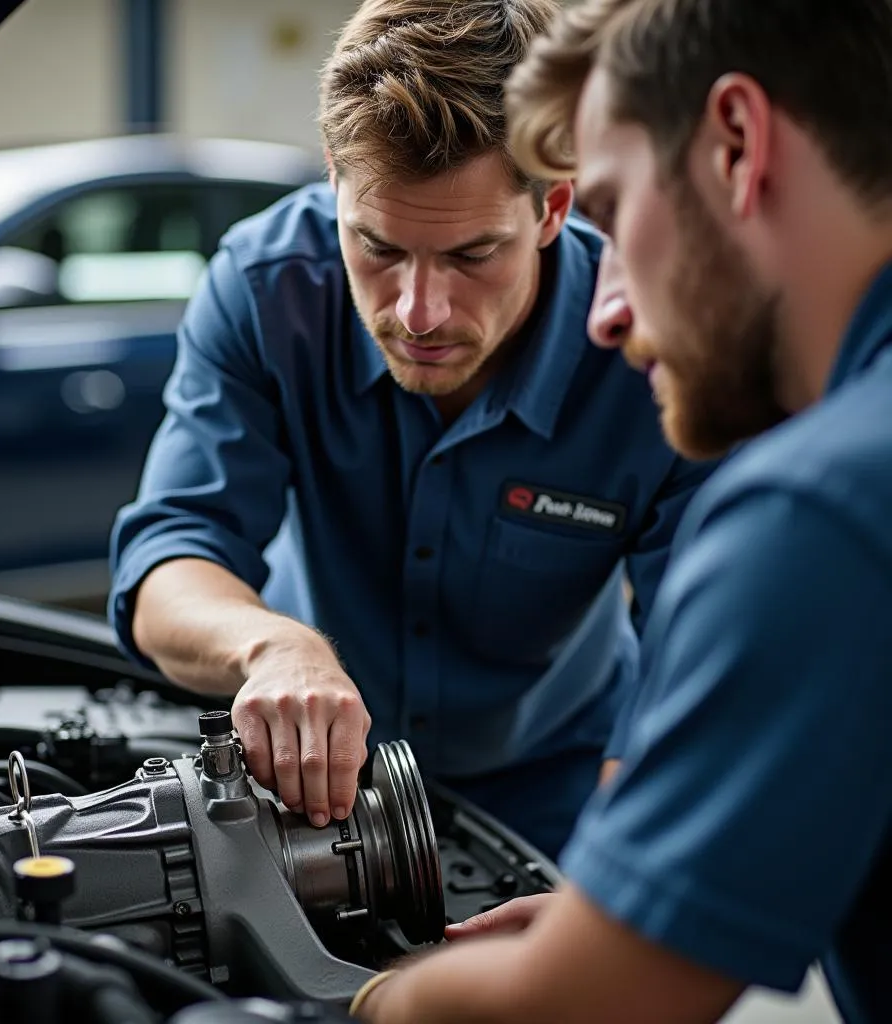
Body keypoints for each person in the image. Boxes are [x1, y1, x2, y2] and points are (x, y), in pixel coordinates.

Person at [348, 0, 892, 1021]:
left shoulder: (822, 512)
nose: (604, 310)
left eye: (610, 200)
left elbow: (576, 1008)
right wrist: (612, 918)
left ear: (735, 144)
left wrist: (368, 1002)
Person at [108, 0, 712, 859]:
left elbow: (706, 651)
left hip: (561, 791)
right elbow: (169, 555)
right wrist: (275, 650)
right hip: (313, 794)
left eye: (472, 256)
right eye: (378, 247)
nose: (418, 312)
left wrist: (621, 860)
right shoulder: (262, 290)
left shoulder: (654, 345)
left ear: (552, 208)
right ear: (333, 180)